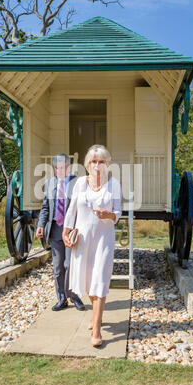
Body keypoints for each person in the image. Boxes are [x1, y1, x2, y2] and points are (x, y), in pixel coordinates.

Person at [62, 145, 122, 347]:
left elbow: (118, 212)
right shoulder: (80, 183)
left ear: (107, 164)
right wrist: (65, 230)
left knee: (100, 280)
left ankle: (96, 328)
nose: (97, 165)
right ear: (87, 165)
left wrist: (109, 215)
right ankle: (96, 316)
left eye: (101, 161)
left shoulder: (114, 184)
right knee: (87, 281)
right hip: (83, 240)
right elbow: (71, 210)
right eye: (93, 161)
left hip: (104, 240)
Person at [36, 154, 85, 312]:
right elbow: (45, 208)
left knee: (70, 265)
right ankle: (61, 299)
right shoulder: (50, 184)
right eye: (58, 167)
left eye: (64, 167)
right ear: (55, 168)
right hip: (55, 231)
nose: (61, 170)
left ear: (68, 167)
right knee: (58, 268)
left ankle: (74, 296)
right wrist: (41, 225)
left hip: (71, 231)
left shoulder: (76, 182)